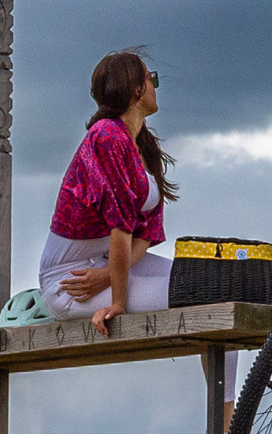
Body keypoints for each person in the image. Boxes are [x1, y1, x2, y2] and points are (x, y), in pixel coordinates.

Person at [42, 49, 178, 333]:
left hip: (108, 265)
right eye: (150, 78)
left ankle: (226, 371)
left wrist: (108, 275)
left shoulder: (143, 145)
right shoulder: (107, 136)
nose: (155, 86)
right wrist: (118, 303)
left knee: (208, 283)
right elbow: (121, 226)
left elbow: (145, 234)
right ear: (135, 89)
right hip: (71, 281)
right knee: (194, 295)